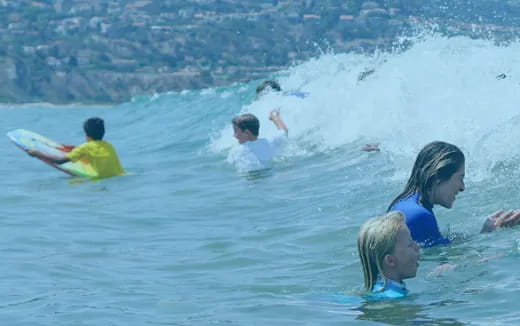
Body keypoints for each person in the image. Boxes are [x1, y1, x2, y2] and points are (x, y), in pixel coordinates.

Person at [388, 141, 520, 248]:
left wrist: (487, 229)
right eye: (460, 178)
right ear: (439, 177)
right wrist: (489, 236)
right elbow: (442, 265)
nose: (463, 187)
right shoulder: (420, 215)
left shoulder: (405, 203)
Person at [27, 117, 125, 179]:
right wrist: (75, 148)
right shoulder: (108, 145)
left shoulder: (85, 147)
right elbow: (92, 151)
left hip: (98, 181)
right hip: (118, 177)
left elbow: (59, 161)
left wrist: (37, 153)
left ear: (87, 135)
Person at [358, 211, 420, 300]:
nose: (417, 247)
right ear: (390, 261)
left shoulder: (375, 288)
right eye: (410, 244)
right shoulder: (394, 300)